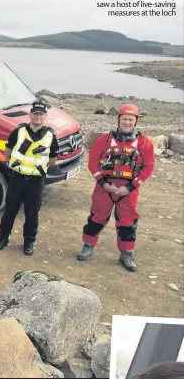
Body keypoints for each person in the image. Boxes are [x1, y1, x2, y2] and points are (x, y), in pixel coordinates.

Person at [77, 104, 154, 272]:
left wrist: (131, 187)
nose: (127, 122)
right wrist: (104, 183)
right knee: (97, 216)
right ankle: (88, 245)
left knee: (127, 221)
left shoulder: (144, 142)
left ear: (136, 121)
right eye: (124, 119)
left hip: (128, 189)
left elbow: (148, 167)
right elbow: (93, 162)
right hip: (105, 187)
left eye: (130, 120)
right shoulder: (104, 139)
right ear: (118, 119)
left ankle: (126, 253)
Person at [0, 101, 59, 256]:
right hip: (17, 178)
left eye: (41, 114)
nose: (37, 117)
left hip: (36, 181)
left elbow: (52, 159)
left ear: (45, 116)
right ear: (30, 115)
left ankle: (29, 242)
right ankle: (3, 238)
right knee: (10, 210)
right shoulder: (19, 131)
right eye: (35, 113)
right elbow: (7, 151)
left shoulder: (50, 135)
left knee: (32, 213)